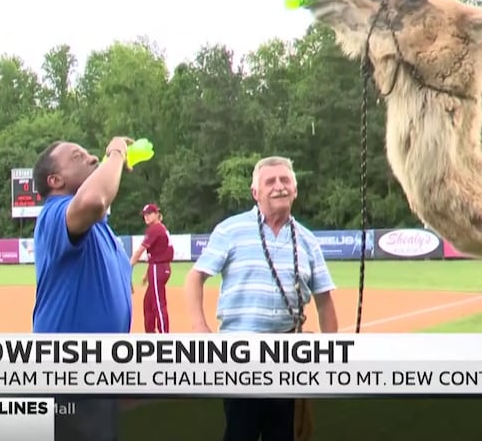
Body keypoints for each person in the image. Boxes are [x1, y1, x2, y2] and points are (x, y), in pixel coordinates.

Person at [184, 156, 339, 441]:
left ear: (295, 190)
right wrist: (199, 327)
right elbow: (195, 277)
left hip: (288, 358)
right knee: (239, 432)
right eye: (270, 181)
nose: (279, 186)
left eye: (285, 180)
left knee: (283, 434)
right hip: (240, 356)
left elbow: (324, 300)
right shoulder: (230, 230)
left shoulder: (307, 240)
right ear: (255, 192)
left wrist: (333, 353)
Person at [31, 136, 134, 441]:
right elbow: (94, 200)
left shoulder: (98, 226)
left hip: (100, 372)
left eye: (90, 154)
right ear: (55, 180)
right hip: (70, 371)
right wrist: (116, 152)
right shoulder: (54, 213)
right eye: (78, 157)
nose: (92, 158)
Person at [129, 203, 174, 333]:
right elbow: (157, 253)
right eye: (145, 215)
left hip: (158, 268)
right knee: (148, 303)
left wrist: (128, 267)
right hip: (159, 267)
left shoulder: (155, 229)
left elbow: (139, 251)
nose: (146, 217)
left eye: (149, 213)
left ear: (156, 214)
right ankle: (150, 333)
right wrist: (146, 274)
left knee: (158, 304)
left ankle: (164, 335)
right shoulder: (161, 228)